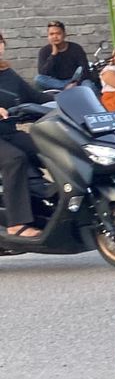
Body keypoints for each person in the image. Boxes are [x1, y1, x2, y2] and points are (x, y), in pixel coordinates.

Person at [0, 33, 51, 239]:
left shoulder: (8, 73)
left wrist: (62, 97)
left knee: (50, 149)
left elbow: (34, 96)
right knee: (15, 159)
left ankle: (55, 204)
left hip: (9, 132)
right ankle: (16, 223)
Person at [34, 20, 88, 91]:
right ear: (48, 36)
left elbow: (85, 69)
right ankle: (66, 87)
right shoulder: (44, 51)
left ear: (64, 34)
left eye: (58, 33)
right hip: (56, 82)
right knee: (38, 79)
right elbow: (43, 73)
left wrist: (76, 82)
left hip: (75, 80)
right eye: (51, 34)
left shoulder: (76, 48)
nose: (55, 36)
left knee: (88, 84)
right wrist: (53, 55)